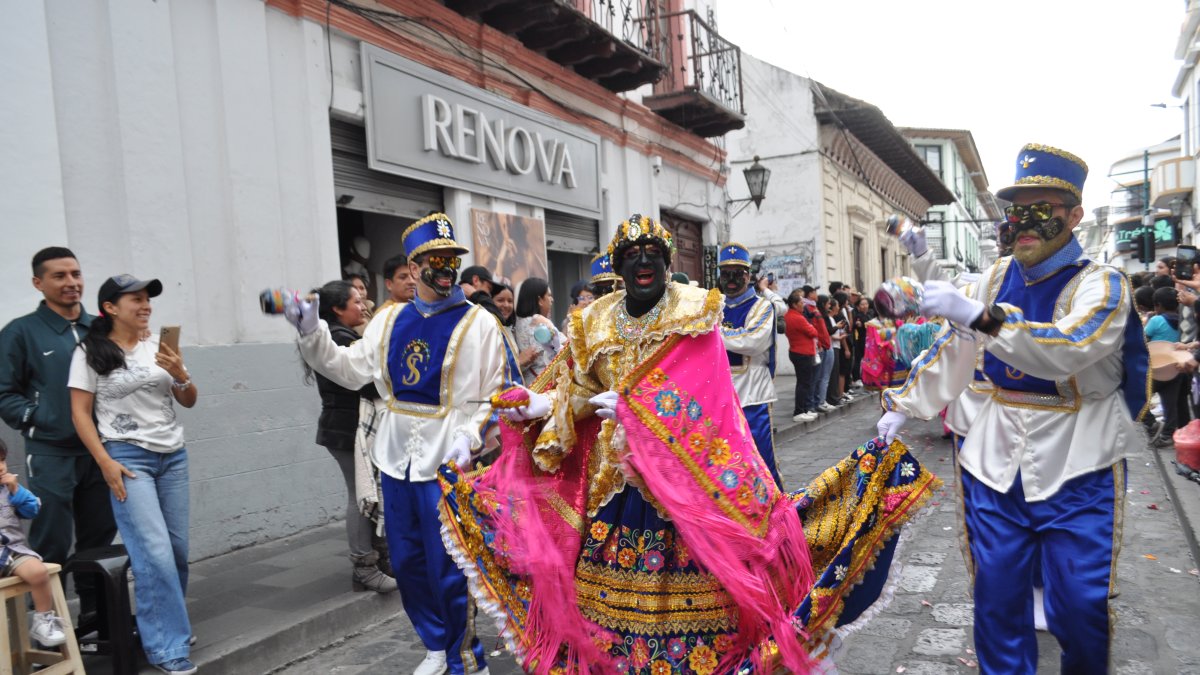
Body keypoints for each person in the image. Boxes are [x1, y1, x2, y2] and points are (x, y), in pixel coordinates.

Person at [437, 214, 942, 674]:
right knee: (600, 607)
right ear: (617, 266)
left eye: (652, 256)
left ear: (664, 263)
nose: (642, 265)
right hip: (613, 487)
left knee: (713, 601)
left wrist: (643, 416)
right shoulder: (595, 321)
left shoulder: (695, 313)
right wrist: (539, 407)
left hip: (682, 484)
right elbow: (578, 392)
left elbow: (708, 402)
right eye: (631, 257)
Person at [877, 143, 1150, 674]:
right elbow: (956, 343)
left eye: (1039, 210)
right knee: (996, 603)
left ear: (1074, 217)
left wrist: (982, 319)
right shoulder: (995, 277)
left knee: (1080, 609)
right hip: (994, 464)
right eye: (1014, 211)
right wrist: (905, 405)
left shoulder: (1103, 284)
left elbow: (1066, 348)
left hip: (1078, 465)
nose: (1021, 223)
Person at [286, 213, 505, 675]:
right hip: (396, 457)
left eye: (451, 259)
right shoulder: (387, 322)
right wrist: (311, 332)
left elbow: (492, 392)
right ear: (414, 264)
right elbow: (348, 370)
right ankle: (433, 644)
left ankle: (464, 655)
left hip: (448, 458)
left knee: (449, 563)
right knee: (406, 561)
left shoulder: (480, 324)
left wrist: (469, 438)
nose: (445, 268)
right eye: (434, 260)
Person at [68, 274, 200, 675]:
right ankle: (167, 647)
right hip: (127, 459)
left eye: (147, 300)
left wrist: (180, 373)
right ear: (110, 308)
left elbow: (189, 400)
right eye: (136, 300)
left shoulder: (160, 343)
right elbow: (79, 412)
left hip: (172, 457)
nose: (145, 306)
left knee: (176, 553)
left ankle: (166, 627)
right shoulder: (90, 351)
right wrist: (105, 461)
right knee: (153, 553)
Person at [0, 247, 117, 630]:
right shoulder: (20, 332)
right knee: (50, 541)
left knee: (98, 538)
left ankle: (95, 615)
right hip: (51, 452)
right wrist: (39, 419)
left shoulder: (99, 327)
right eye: (59, 276)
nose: (71, 283)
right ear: (39, 283)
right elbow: (5, 392)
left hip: (100, 452)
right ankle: (44, 622)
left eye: (76, 274)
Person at [303, 280, 397, 593]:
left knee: (366, 492)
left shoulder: (338, 334)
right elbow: (365, 383)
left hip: (345, 428)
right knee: (361, 494)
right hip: (345, 430)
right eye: (356, 301)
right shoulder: (337, 338)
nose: (363, 306)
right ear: (337, 309)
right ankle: (364, 567)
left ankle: (379, 558)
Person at [716, 243, 783, 487]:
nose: (731, 280)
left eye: (738, 274)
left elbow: (753, 341)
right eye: (726, 274)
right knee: (725, 462)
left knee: (761, 459)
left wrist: (714, 334)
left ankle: (775, 514)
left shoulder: (762, 306)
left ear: (748, 276)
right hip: (721, 395)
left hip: (753, 394)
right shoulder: (714, 307)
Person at [0, 438, 67, 647]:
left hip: (12, 551)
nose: (1, 466)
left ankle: (43, 620)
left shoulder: (9, 490)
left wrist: (15, 491)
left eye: (2, 460)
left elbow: (31, 510)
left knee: (38, 571)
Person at [513, 278, 564, 384]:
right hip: (542, 386)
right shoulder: (537, 322)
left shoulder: (521, 322)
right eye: (549, 295)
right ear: (540, 300)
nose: (552, 300)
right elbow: (564, 345)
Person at [784, 289, 819, 422]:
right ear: (794, 304)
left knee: (803, 382)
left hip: (797, 351)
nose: (803, 305)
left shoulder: (789, 316)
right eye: (801, 302)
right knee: (804, 383)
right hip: (802, 353)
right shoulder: (797, 318)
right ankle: (799, 411)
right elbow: (813, 332)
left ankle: (804, 409)